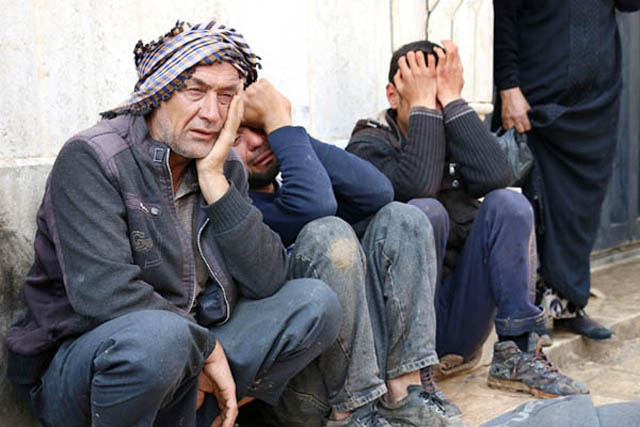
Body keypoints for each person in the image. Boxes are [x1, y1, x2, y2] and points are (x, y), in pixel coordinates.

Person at [5, 20, 343, 427]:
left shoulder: (223, 164)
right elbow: (102, 294)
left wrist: (216, 182)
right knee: (159, 341)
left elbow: (269, 279)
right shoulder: (93, 158)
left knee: (314, 301)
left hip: (189, 346)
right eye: (195, 92)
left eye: (227, 97)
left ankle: (198, 409)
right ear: (159, 93)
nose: (211, 113)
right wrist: (205, 347)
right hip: (87, 365)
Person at [345, 39, 588, 399]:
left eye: (440, 96)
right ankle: (414, 373)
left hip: (459, 322)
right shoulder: (369, 142)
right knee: (426, 212)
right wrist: (427, 106)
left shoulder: (452, 126)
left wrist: (454, 102)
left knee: (509, 203)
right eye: (423, 94)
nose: (436, 107)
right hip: (398, 335)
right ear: (393, 96)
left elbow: (497, 176)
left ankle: (517, 352)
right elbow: (419, 187)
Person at [233, 80, 463, 426]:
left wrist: (284, 129)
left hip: (367, 377)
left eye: (259, 129)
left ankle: (404, 393)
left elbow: (378, 192)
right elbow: (314, 206)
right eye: (237, 138)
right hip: (303, 394)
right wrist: (279, 125)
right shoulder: (236, 209)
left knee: (405, 217)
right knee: (330, 234)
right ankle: (352, 415)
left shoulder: (287, 173)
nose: (256, 142)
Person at [493, 0, 640, 340]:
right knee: (540, 198)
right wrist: (508, 86)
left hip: (596, 98)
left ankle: (569, 302)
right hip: (538, 96)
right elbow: (505, 14)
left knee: (582, 205)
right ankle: (531, 312)